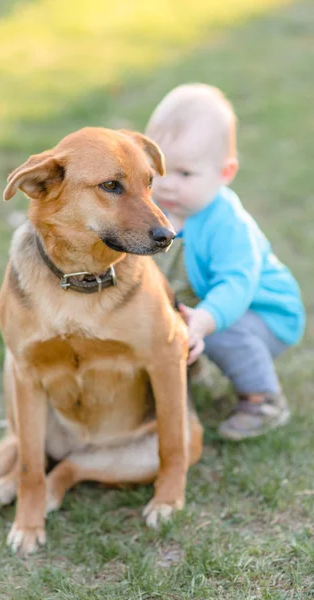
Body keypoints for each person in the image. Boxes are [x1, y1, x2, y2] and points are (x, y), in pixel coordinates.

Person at [146, 83, 305, 440]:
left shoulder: (227, 223)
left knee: (223, 329)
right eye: (159, 169)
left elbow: (236, 285)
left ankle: (264, 399)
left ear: (225, 173)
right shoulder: (157, 213)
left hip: (265, 312)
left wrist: (204, 320)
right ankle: (187, 366)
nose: (168, 184)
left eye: (185, 173)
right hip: (201, 303)